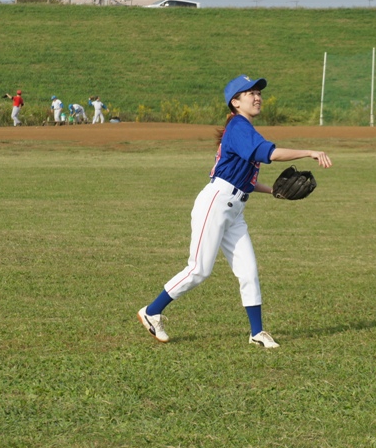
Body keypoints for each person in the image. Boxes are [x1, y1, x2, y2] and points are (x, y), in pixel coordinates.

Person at [136, 74, 333, 349]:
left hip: (235, 209)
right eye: (249, 93)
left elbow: (245, 181)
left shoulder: (244, 129)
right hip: (215, 204)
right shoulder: (239, 127)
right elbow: (270, 154)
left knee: (248, 270)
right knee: (199, 270)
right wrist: (309, 151)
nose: (257, 97)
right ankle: (152, 311)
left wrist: (273, 192)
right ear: (235, 102)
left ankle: (257, 332)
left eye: (258, 92)